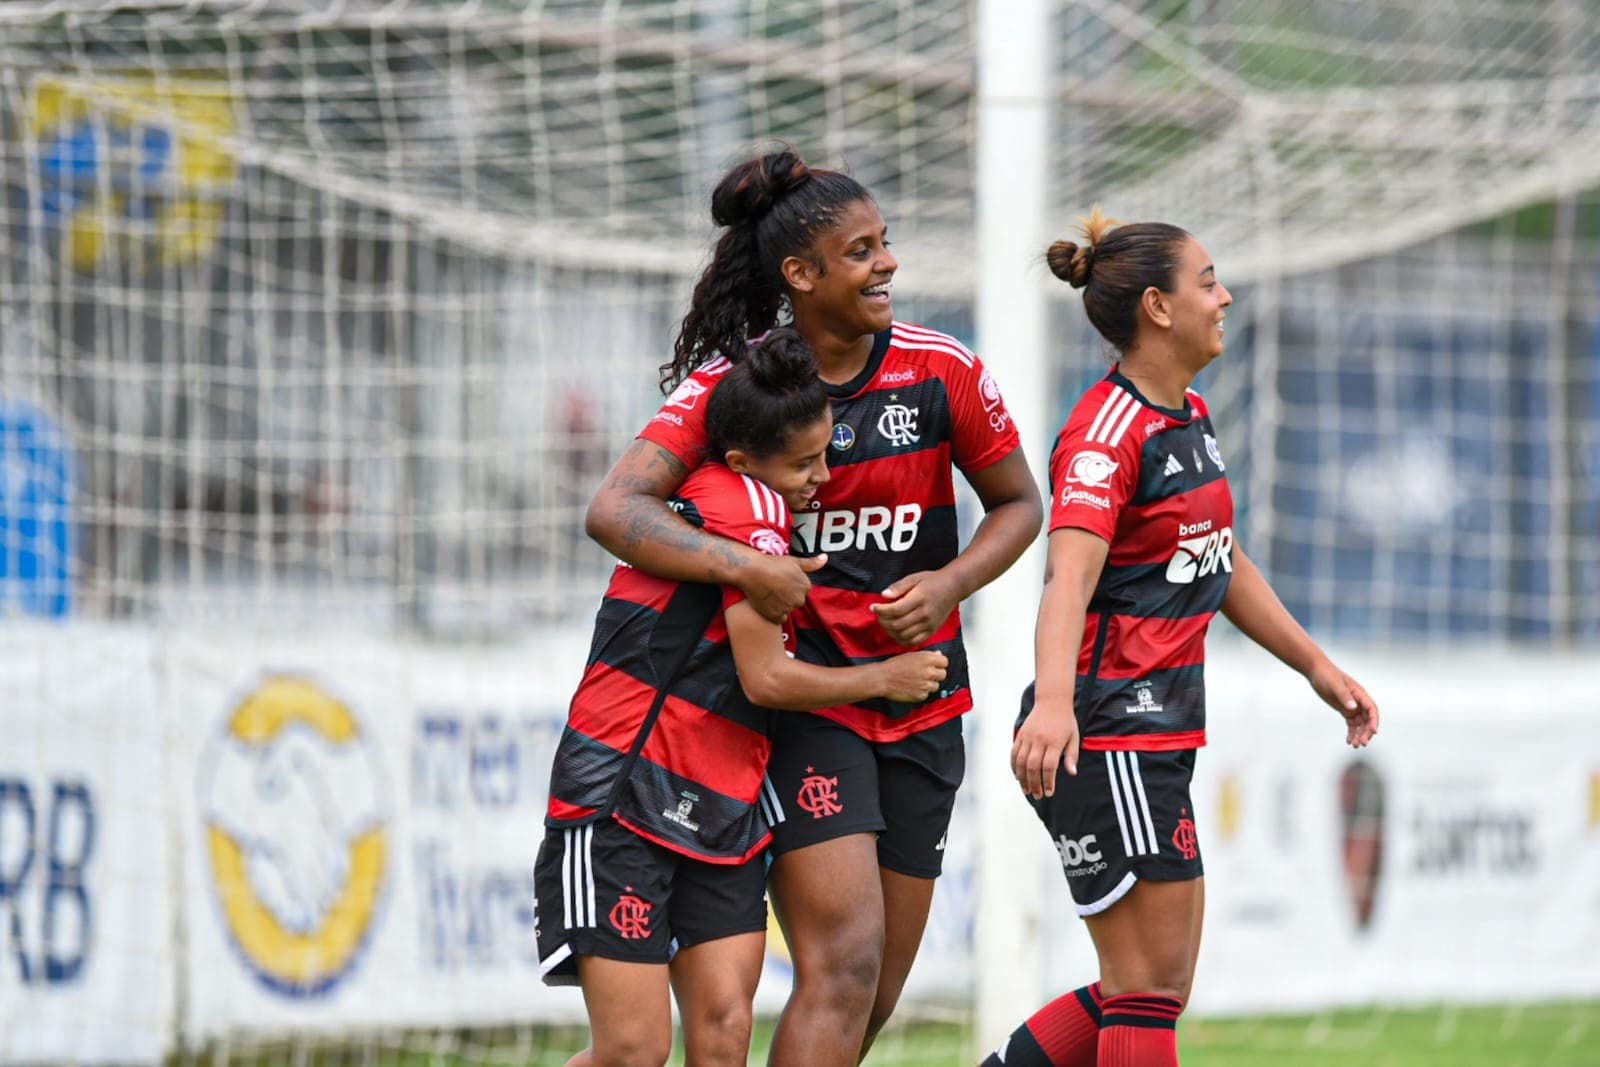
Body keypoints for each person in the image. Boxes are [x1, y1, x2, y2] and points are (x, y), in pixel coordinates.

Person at [584, 149, 1043, 1066]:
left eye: (885, 243)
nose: (888, 264)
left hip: (923, 699)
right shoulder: (740, 387)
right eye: (861, 250)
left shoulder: (943, 370)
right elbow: (615, 509)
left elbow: (1021, 504)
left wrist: (950, 584)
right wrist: (747, 570)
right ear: (800, 273)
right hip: (804, 704)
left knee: (868, 994)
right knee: (843, 964)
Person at [987, 210, 1380, 1067]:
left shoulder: (1188, 414)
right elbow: (1066, 581)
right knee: (1148, 987)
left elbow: (1218, 555)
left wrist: (1315, 665)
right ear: (1158, 307)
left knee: (1150, 983)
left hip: (1155, 732)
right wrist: (1053, 704)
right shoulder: (1104, 436)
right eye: (1208, 281)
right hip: (1107, 730)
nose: (1225, 295)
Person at [535, 329, 950, 1067]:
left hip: (722, 804)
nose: (824, 476)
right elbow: (767, 679)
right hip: (626, 790)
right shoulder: (747, 510)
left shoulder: (756, 505)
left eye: (825, 454)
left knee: (725, 1033)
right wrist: (885, 678)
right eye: (805, 463)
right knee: (632, 1050)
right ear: (742, 460)